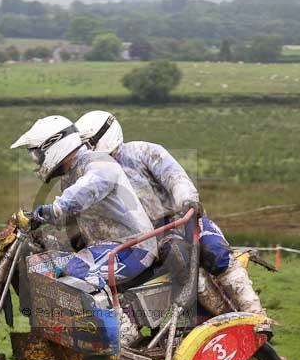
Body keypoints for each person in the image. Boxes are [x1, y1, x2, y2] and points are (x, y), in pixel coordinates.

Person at [75, 110, 265, 317]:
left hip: (182, 218)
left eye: (89, 143)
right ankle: (221, 316)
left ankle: (256, 315)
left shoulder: (143, 151)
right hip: (145, 240)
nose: (87, 150)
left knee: (215, 251)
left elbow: (174, 177)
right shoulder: (91, 176)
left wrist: (187, 199)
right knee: (177, 259)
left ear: (105, 135)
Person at [11, 115, 157, 345]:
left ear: (55, 145)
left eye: (38, 154)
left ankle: (123, 330)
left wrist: (53, 209)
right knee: (44, 265)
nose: (37, 160)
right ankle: (69, 333)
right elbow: (71, 217)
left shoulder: (99, 163)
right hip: (106, 247)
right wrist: (40, 225)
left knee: (77, 269)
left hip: (134, 247)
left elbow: (86, 191)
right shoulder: (72, 175)